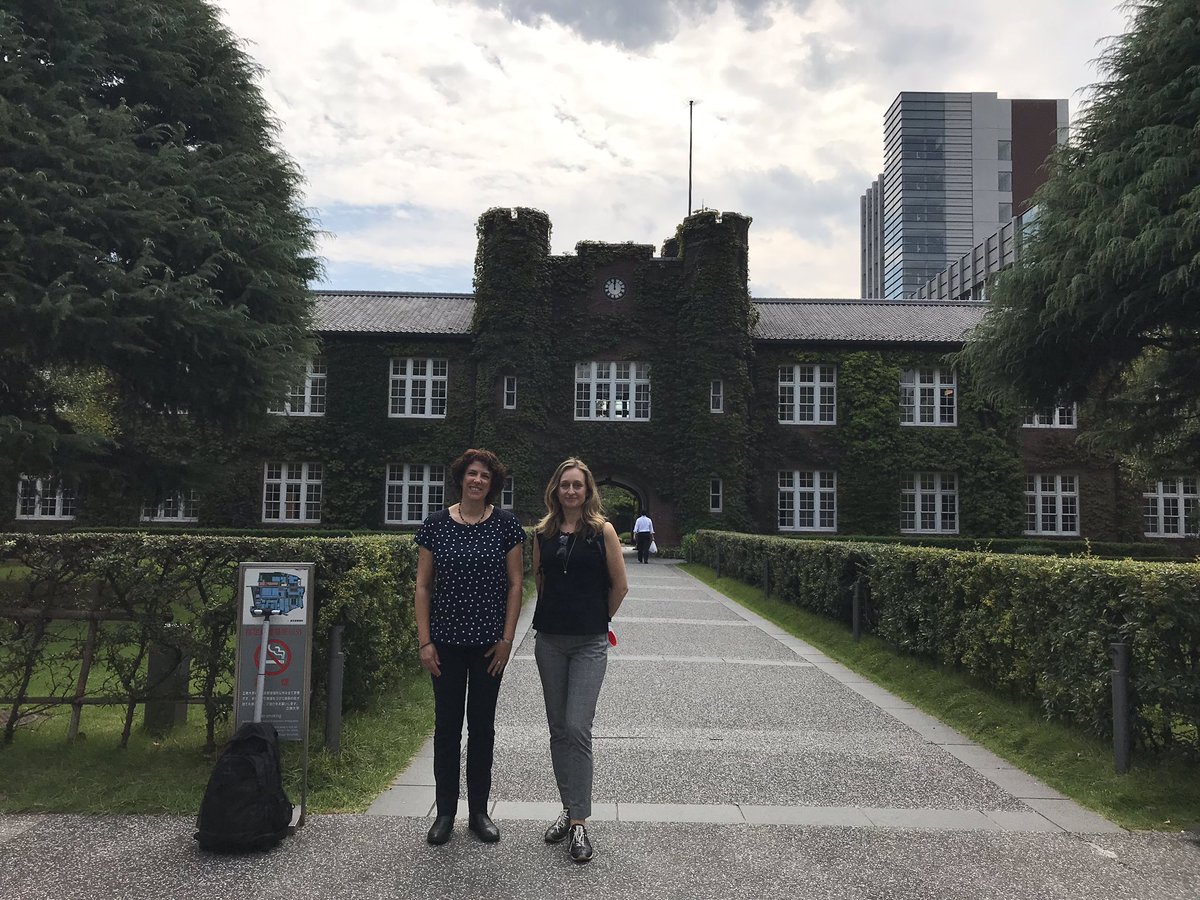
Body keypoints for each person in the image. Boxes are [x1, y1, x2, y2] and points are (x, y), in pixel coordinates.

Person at [414, 448, 525, 846]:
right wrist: (425, 641)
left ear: (492, 484)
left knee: (482, 730)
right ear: (461, 478)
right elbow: (424, 586)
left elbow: (516, 584)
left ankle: (479, 811)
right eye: (472, 474)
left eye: (485, 476)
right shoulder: (436, 526)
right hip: (444, 644)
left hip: (487, 648)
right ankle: (445, 812)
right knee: (446, 730)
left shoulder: (507, 527)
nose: (477, 481)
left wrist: (507, 640)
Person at [532, 457, 628, 864]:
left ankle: (580, 825)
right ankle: (570, 811)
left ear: (588, 491)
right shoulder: (543, 533)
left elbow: (620, 586)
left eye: (578, 486)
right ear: (556, 489)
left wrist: (596, 617)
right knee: (558, 730)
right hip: (549, 641)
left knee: (577, 727)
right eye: (565, 485)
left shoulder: (601, 531)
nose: (571, 491)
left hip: (589, 643)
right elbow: (540, 579)